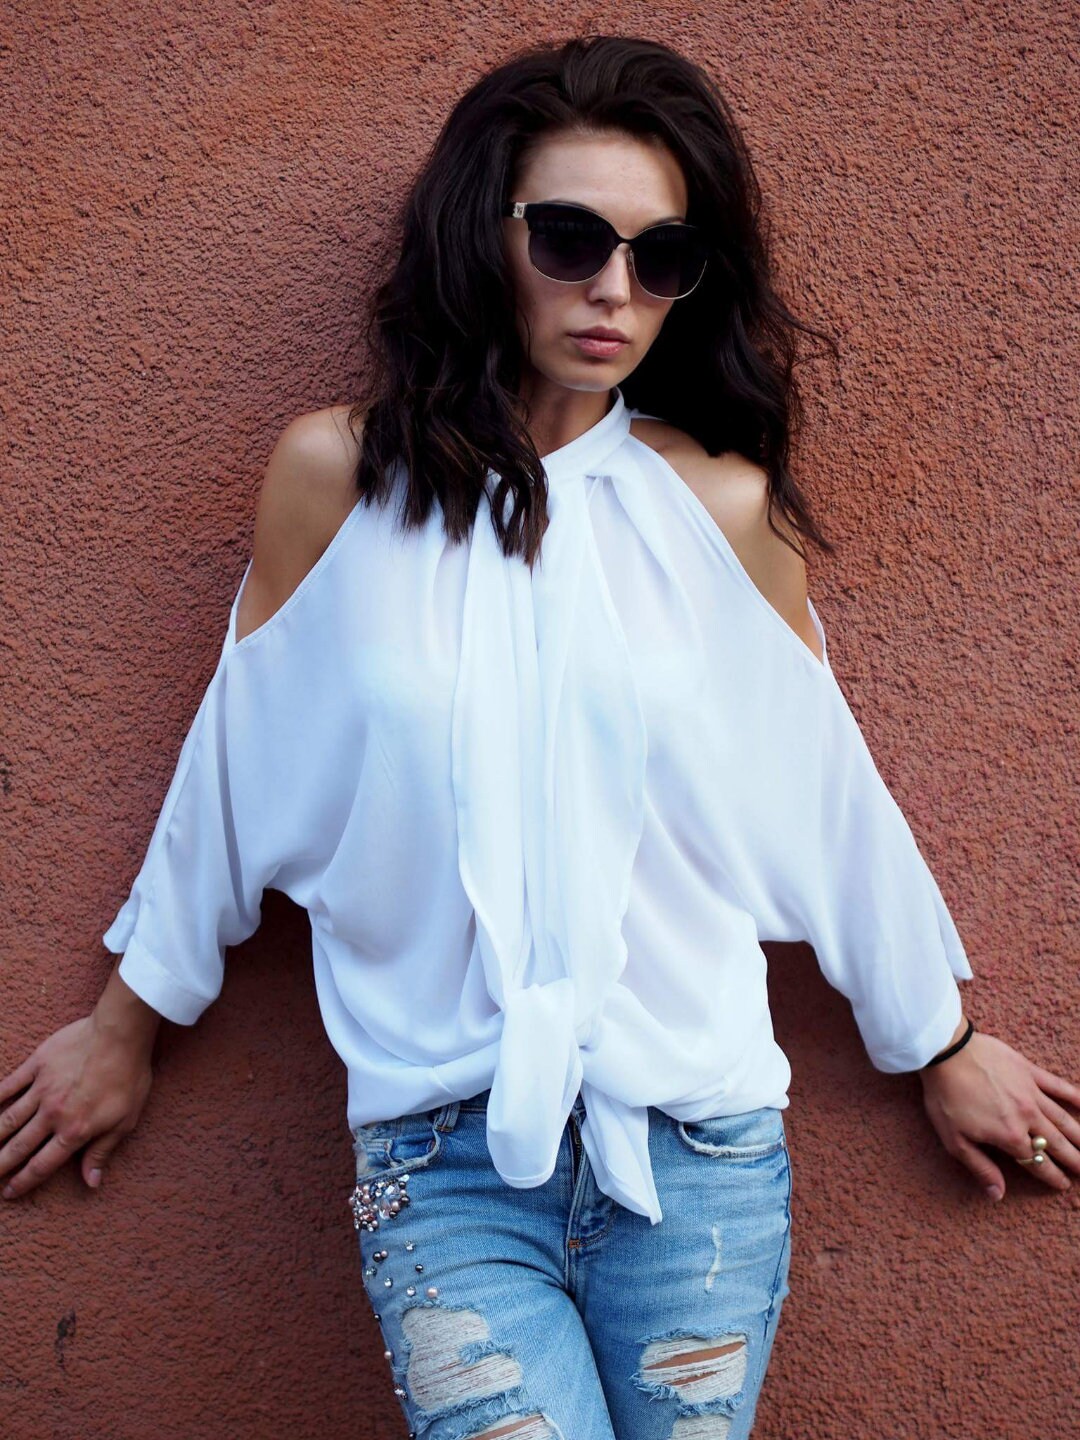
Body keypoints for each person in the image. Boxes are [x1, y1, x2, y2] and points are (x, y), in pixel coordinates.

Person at [2, 33, 1077, 1440]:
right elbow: (238, 766)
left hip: (697, 1158)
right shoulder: (336, 481)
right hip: (443, 1162)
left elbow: (828, 803)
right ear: (485, 237)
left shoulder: (722, 507)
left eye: (661, 256)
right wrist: (124, 1026)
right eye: (570, 239)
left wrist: (940, 1041)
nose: (613, 289)